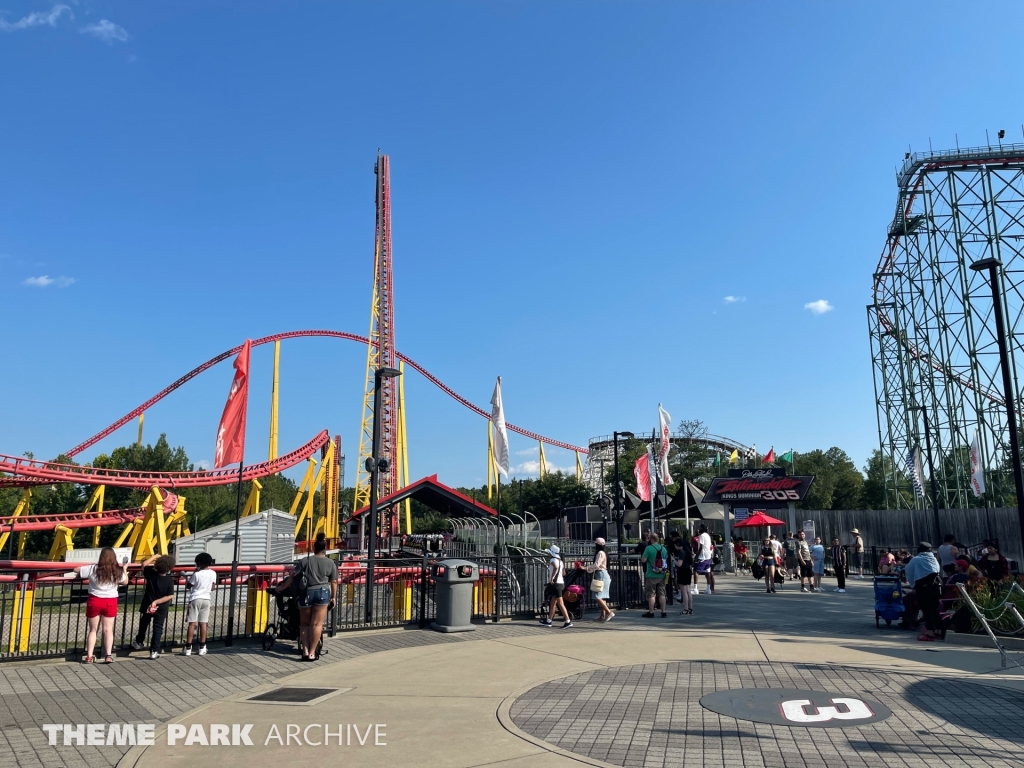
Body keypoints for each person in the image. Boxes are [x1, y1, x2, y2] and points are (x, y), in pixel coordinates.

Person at [277, 532, 338, 659]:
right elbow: (334, 581)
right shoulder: (330, 563)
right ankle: (312, 652)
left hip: (306, 594)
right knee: (316, 624)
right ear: (324, 549)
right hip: (322, 593)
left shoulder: (306, 560)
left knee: (304, 624)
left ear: (313, 548)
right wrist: (333, 597)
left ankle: (304, 651)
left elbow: (293, 575)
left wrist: (282, 587)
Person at [73, 547, 129, 664]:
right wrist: (124, 569)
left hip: (94, 600)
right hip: (110, 601)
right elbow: (125, 582)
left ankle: (89, 656)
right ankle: (108, 655)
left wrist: (87, 568)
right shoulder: (116, 571)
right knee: (108, 630)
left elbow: (76, 569)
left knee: (93, 630)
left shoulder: (93, 568)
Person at [131, 554, 176, 659]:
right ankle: (154, 650)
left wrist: (154, 556)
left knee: (144, 623)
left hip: (148, 603)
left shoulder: (151, 574)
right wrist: (157, 601)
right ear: (170, 567)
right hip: (161, 606)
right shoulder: (169, 580)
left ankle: (139, 642)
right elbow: (170, 595)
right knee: (157, 627)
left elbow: (144, 564)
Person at [904, 542, 942, 642]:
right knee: (935, 609)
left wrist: (913, 583)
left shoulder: (916, 560)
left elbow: (908, 570)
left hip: (924, 587)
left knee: (927, 610)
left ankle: (929, 633)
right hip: (936, 586)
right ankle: (938, 631)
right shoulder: (933, 559)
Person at [183, 552, 216, 656]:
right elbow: (213, 587)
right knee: (203, 623)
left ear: (199, 563)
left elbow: (189, 585)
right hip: (207, 599)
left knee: (192, 623)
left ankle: (188, 648)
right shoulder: (213, 573)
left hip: (195, 598)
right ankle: (202, 647)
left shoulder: (197, 574)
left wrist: (185, 576)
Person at [540, 545, 571, 628]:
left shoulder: (553, 560)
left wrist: (552, 577)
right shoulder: (560, 561)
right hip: (561, 583)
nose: (548, 555)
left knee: (560, 603)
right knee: (553, 602)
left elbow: (555, 567)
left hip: (556, 584)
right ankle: (549, 621)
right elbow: (564, 573)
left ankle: (567, 621)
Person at [641, 532, 669, 618]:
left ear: (652, 540)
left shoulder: (649, 548)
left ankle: (651, 612)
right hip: (662, 574)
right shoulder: (663, 548)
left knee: (651, 594)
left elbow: (643, 560)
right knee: (662, 594)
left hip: (651, 574)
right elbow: (665, 559)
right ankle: (663, 612)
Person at [585, 537, 613, 622]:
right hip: (605, 574)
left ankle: (609, 612)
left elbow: (596, 565)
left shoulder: (600, 553)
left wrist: (586, 568)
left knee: (597, 596)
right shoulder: (605, 552)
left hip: (601, 574)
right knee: (603, 597)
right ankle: (602, 616)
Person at [674, 536, 694, 614]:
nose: (675, 547)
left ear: (678, 545)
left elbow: (679, 564)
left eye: (675, 545)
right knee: (688, 591)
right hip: (688, 571)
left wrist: (673, 560)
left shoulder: (682, 552)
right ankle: (690, 608)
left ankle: (685, 609)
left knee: (684, 591)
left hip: (682, 571)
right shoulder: (687, 551)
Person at [694, 524, 715, 595]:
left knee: (696, 571)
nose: (698, 529)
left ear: (702, 529)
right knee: (707, 572)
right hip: (708, 556)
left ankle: (695, 588)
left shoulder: (702, 536)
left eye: (700, 528)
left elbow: (701, 547)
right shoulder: (708, 536)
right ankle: (708, 589)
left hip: (702, 556)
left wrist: (696, 556)